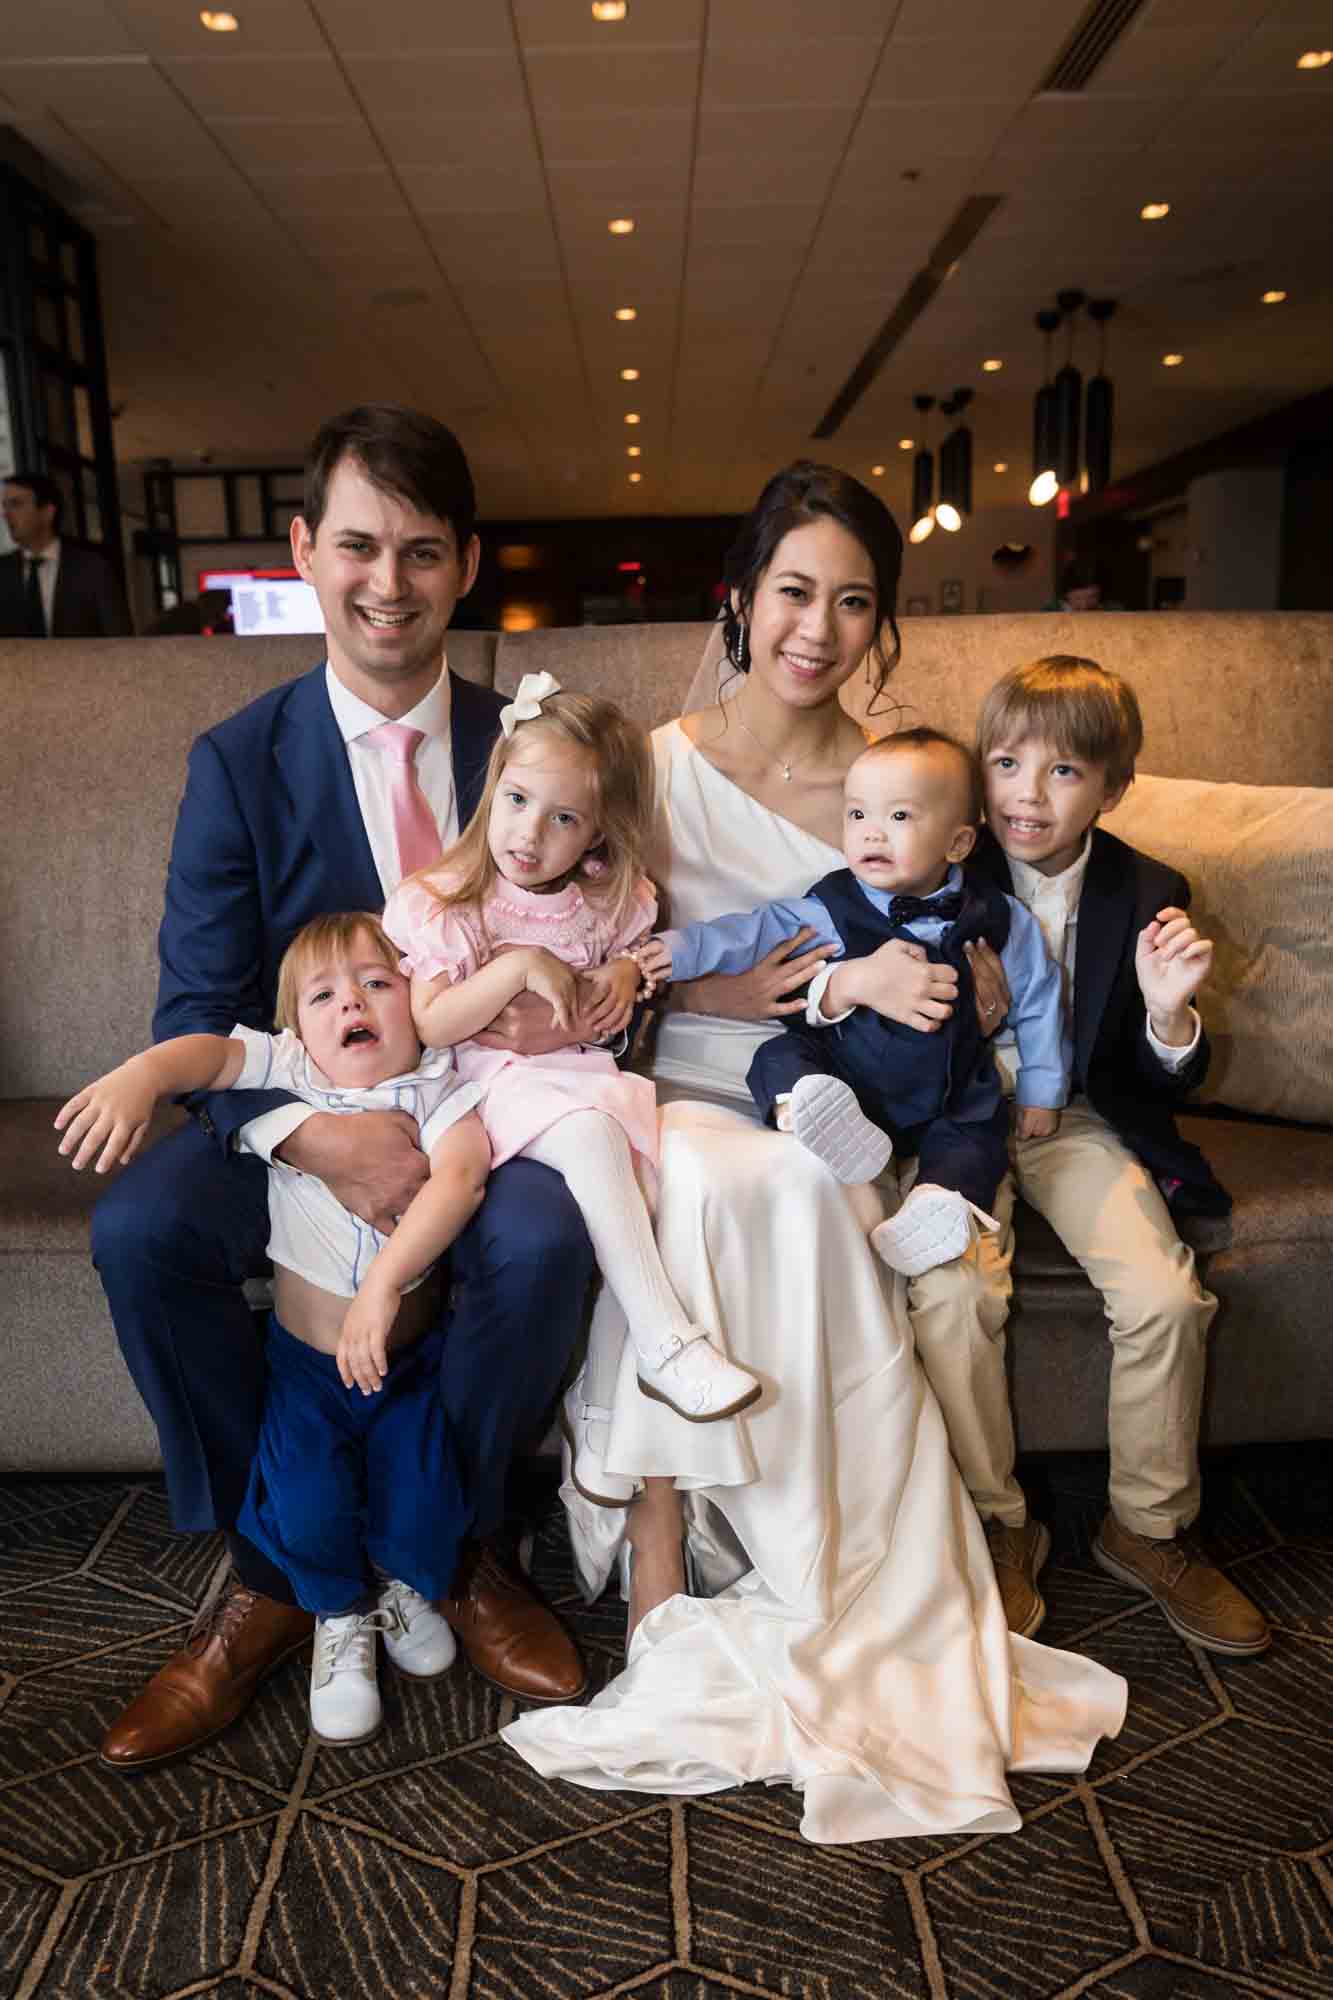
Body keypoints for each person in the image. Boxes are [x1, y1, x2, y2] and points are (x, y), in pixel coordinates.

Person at [502, 462, 1128, 1845]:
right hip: (687, 1075)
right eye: (795, 590)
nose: (818, 626)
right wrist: (708, 996)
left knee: (790, 1181)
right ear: (740, 596)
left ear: (879, 624)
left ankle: (824, 1550)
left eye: (854, 601)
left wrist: (970, 1004)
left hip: (865, 1088)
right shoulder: (655, 766)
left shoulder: (904, 785)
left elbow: (983, 952)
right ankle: (665, 1527)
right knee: (734, 1180)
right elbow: (594, 950)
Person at [90, 404, 591, 1775]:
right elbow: (197, 1015)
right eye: (359, 546)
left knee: (544, 1240)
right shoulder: (236, 764)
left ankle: (464, 1542)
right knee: (140, 1233)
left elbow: (602, 931)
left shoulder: (529, 751)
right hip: (289, 1104)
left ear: (467, 565)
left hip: (488, 1100)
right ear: (305, 550)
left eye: (422, 553)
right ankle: (273, 1566)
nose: (388, 583)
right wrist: (321, 1140)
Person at [58, 913, 488, 1749]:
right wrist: (142, 1076)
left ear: (419, 1000)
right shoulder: (292, 1068)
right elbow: (210, 1054)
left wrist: (385, 1287)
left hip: (403, 1361)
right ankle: (335, 1614)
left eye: (376, 983)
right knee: (305, 1500)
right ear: (296, 1028)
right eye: (323, 995)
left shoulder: (442, 1085)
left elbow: (461, 1181)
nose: (350, 1004)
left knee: (423, 1490)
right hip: (307, 1369)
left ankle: (402, 1581)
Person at [922, 655, 1268, 1655]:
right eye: (1005, 762)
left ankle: (1147, 1529)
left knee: (1164, 1293)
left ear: (1111, 787)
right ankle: (996, 1520)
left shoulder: (1150, 886)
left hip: (1073, 1120)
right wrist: (963, 1025)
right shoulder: (940, 861)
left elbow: (1158, 1079)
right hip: (962, 1117)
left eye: (1063, 771)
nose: (1026, 792)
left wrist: (1168, 1015)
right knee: (950, 1295)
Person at [383, 677, 760, 1507]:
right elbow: (438, 1023)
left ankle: (606, 1420)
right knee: (593, 1140)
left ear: (596, 833)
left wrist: (625, 970)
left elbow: (623, 974)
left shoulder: (607, 900)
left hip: (579, 1074)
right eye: (517, 800)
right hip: (480, 1087)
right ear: (493, 788)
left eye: (563, 819)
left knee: (638, 1195)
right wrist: (517, 965)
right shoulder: (447, 901)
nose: (530, 834)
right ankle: (666, 1344)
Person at [638, 727, 1066, 1278]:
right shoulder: (832, 904)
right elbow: (748, 933)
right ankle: (804, 1108)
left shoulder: (1001, 917)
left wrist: (1043, 1089)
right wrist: (674, 951)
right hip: (849, 1078)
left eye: (900, 817)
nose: (872, 835)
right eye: (858, 816)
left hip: (950, 1089)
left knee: (975, 1138)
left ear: (958, 844)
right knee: (778, 1058)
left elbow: (1039, 998)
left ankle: (935, 1207)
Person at [0, 472, 133, 637]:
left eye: (16, 504)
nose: (5, 514)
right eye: (5, 506)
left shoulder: (93, 568)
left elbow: (119, 638)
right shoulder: (3, 571)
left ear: (47, 512)